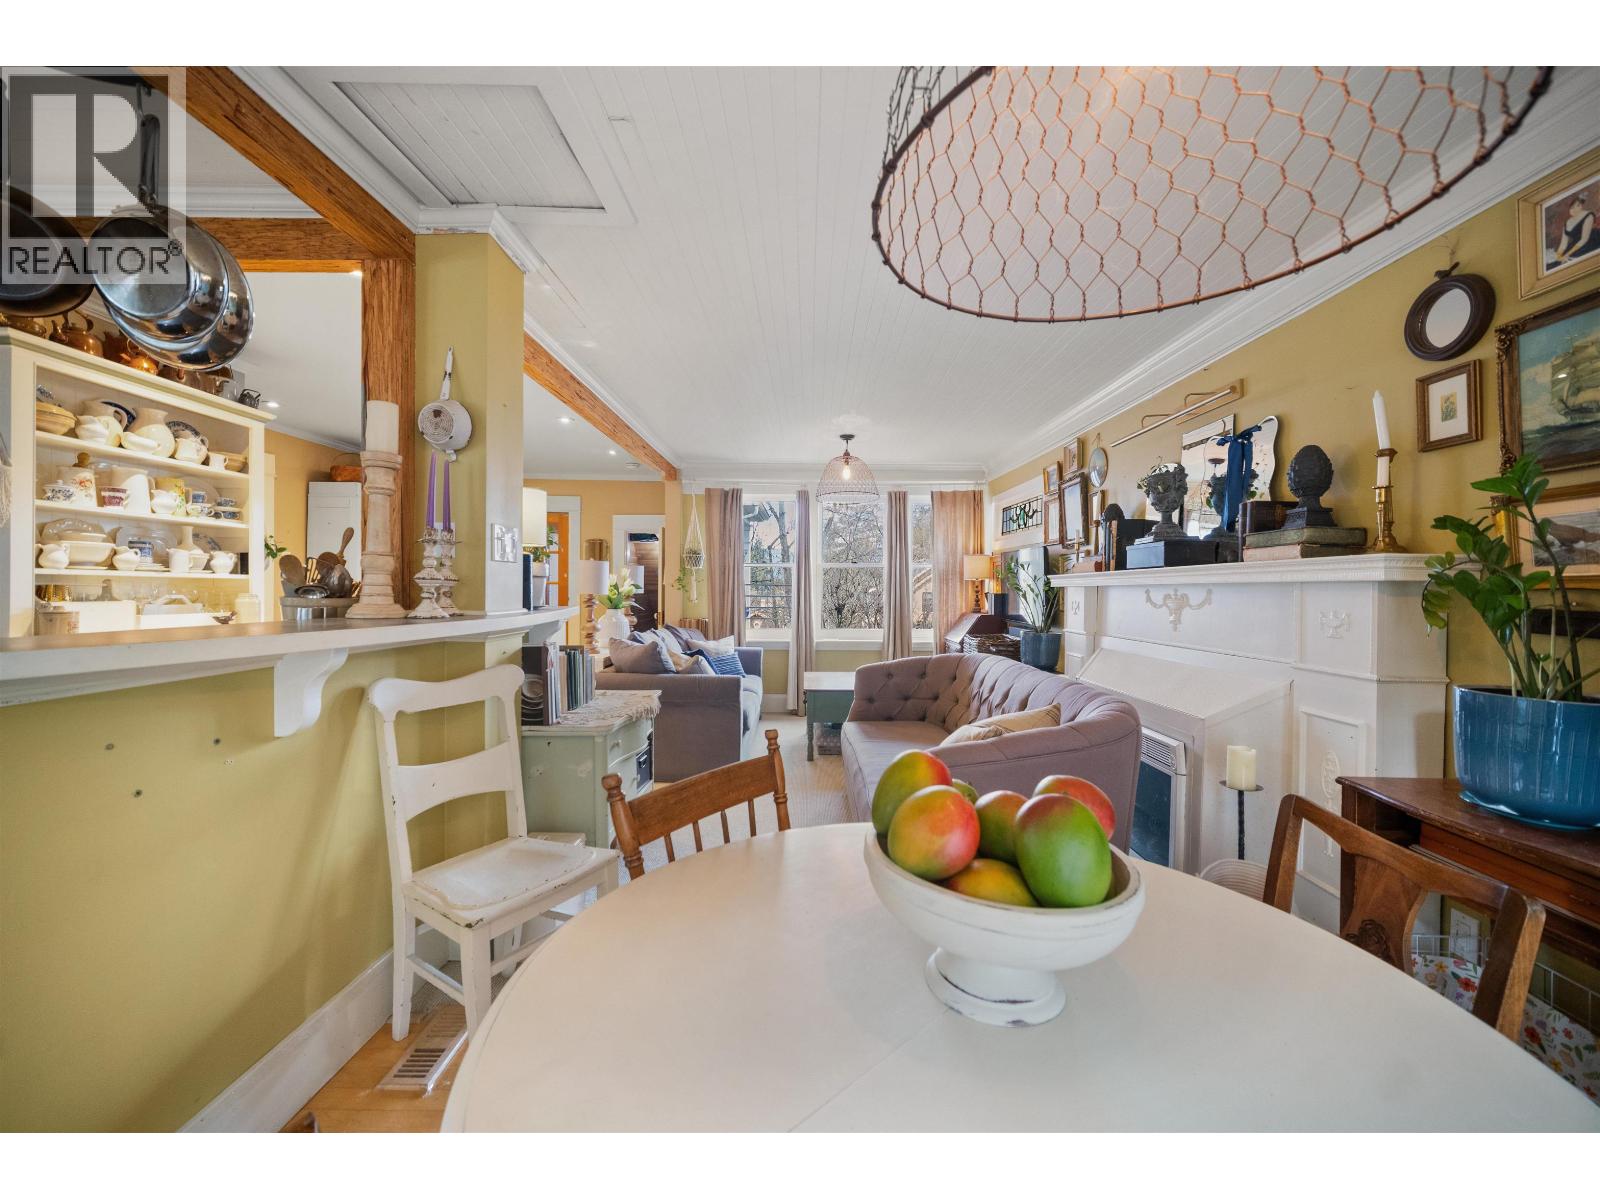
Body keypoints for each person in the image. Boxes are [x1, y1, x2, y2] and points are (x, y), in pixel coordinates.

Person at [1552, 193, 1600, 265]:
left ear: (1581, 206)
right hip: (1575, 244)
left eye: (1577, 205)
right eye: (1571, 207)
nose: (1574, 209)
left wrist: (1567, 254)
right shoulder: (1567, 222)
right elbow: (1563, 244)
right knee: (1557, 263)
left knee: (1571, 259)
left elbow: (1584, 239)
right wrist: (1558, 257)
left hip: (1591, 241)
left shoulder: (1588, 215)